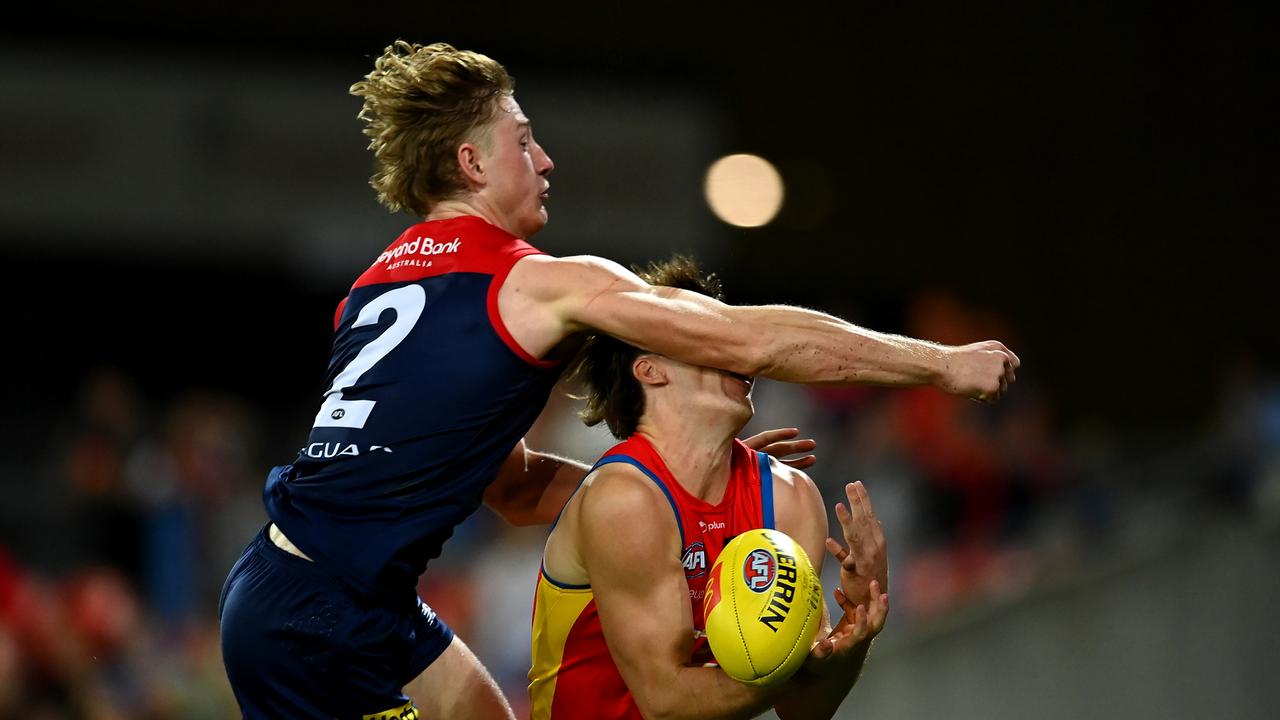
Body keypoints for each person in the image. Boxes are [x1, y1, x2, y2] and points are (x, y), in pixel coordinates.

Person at [218, 40, 1018, 719]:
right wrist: (940, 365)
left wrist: (672, 495)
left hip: (324, 591)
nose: (544, 159)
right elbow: (753, 337)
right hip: (318, 616)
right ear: (471, 162)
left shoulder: (376, 288)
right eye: (523, 142)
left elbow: (514, 487)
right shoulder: (530, 284)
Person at [530, 257, 889, 719]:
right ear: (650, 370)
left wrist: (856, 624)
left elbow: (803, 710)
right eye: (706, 335)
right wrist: (789, 668)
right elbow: (665, 702)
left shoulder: (789, 497)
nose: (738, 347)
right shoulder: (624, 498)